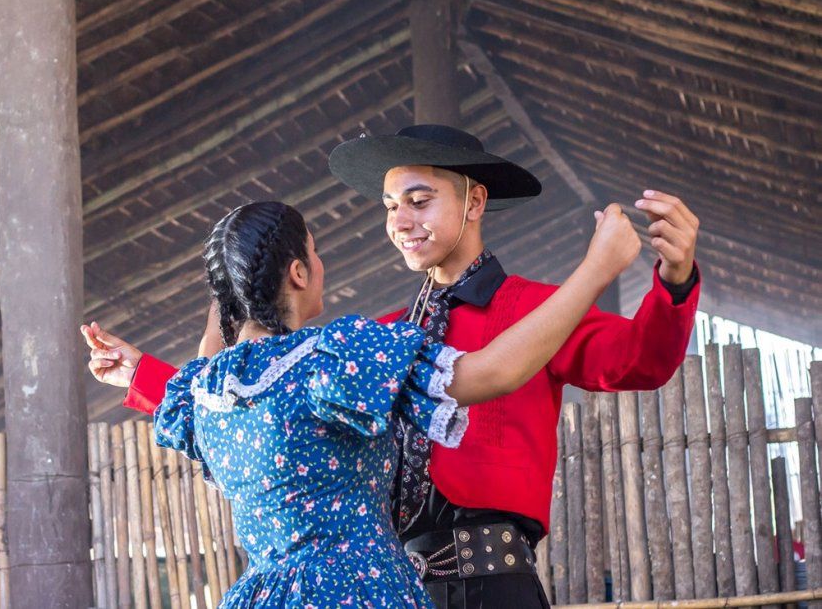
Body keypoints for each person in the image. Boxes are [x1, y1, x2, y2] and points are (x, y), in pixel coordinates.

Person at [85, 125, 701, 607]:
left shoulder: (540, 310)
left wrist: (674, 281)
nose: (400, 221)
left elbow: (641, 363)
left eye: (419, 200)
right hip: (385, 588)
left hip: (494, 587)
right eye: (389, 205)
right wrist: (144, 376)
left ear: (474, 201)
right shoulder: (380, 339)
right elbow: (271, 406)